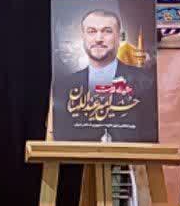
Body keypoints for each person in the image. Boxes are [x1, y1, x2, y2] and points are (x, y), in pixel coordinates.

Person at [54, 8, 156, 140]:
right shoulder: (63, 86)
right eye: (91, 31)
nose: (98, 39)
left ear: (120, 37)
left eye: (107, 31)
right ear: (83, 37)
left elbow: (149, 137)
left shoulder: (145, 82)